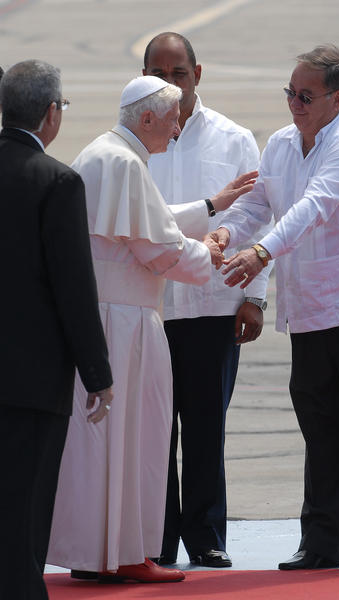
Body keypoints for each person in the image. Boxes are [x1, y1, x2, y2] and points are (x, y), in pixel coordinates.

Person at [209, 44, 339, 571]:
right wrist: (231, 231)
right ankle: (322, 543)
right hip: (312, 311)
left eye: (306, 95)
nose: (295, 103)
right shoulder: (279, 144)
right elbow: (260, 202)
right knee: (323, 430)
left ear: (337, 98)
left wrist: (260, 254)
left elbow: (314, 206)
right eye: (290, 93)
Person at [47, 75, 257, 583]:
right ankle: (127, 555)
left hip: (108, 318)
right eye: (171, 120)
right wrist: (205, 253)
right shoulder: (123, 162)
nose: (177, 128)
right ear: (146, 119)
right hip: (125, 324)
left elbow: (151, 220)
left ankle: (97, 553)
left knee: (104, 444)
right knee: (137, 437)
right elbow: (158, 248)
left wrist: (211, 207)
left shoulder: (105, 153)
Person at [143, 32, 273, 568]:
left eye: (179, 74)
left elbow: (259, 217)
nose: (170, 85)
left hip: (214, 307)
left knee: (204, 427)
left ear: (199, 75)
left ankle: (206, 536)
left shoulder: (235, 138)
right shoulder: (133, 140)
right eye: (159, 75)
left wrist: (255, 298)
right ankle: (155, 540)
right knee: (152, 432)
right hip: (150, 309)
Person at [0, 60, 113, 600]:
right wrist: (97, 373)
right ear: (51, 114)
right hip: (33, 379)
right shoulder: (58, 182)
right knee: (26, 508)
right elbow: (73, 288)